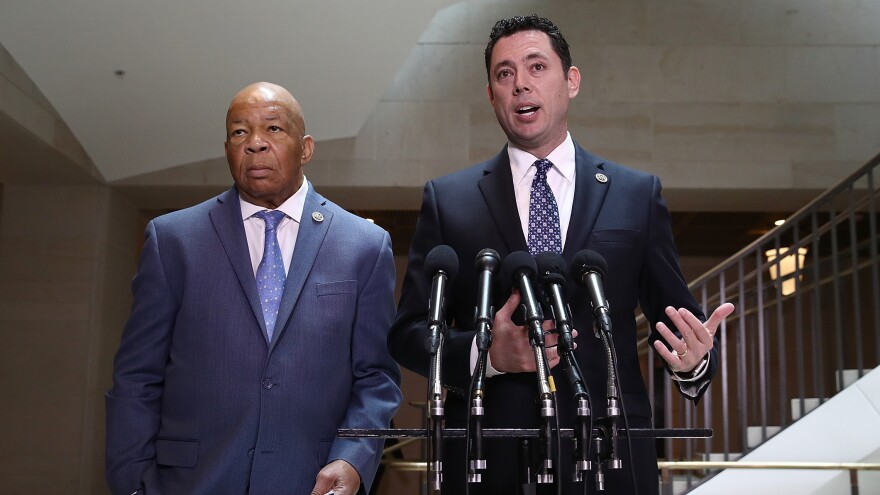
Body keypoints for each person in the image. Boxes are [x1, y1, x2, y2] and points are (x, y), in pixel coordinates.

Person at [390, 15, 735, 495]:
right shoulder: (449, 200)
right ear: (491, 95)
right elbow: (408, 335)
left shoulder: (635, 194)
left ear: (571, 81)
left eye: (536, 67)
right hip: (491, 462)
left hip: (609, 458)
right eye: (504, 74)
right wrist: (485, 355)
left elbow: (676, 320)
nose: (520, 85)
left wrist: (693, 362)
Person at [105, 82, 402, 495]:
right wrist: (133, 483)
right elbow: (137, 375)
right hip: (189, 482)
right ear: (227, 147)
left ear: (307, 148)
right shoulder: (173, 240)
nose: (255, 144)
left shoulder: (363, 246)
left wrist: (353, 458)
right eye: (240, 132)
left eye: (274, 130)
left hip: (309, 483)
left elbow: (376, 377)